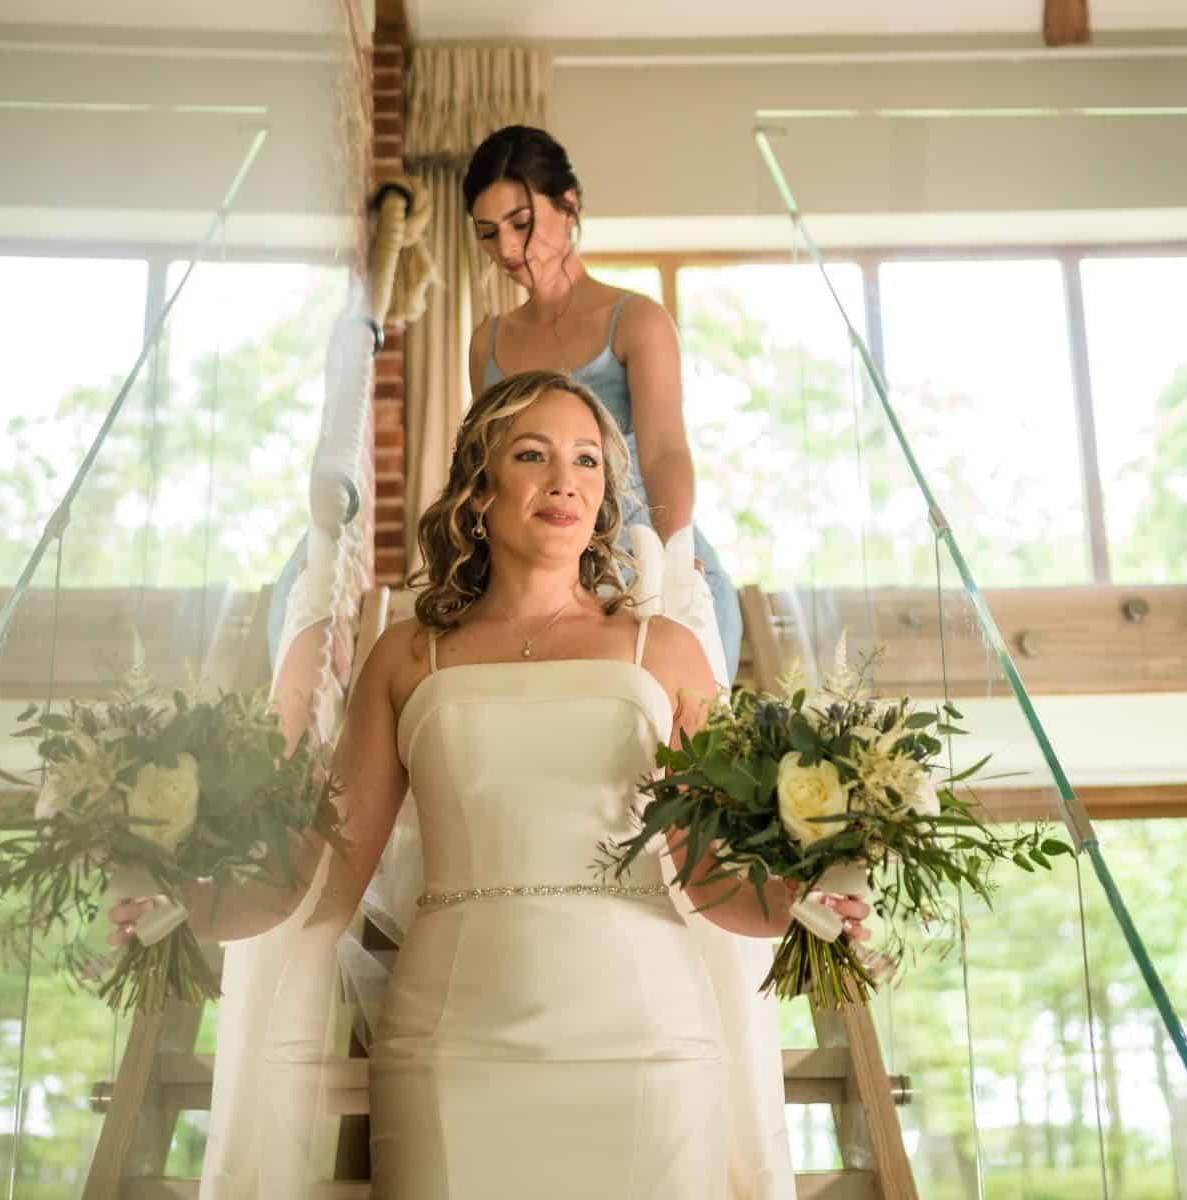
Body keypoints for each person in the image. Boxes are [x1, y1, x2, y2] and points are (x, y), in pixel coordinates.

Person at [112, 371, 869, 1197]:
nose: (566, 482)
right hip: (451, 1043)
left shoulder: (669, 650)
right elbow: (324, 874)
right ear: (479, 488)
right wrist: (187, 899)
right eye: (533, 454)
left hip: (648, 1042)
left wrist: (811, 900)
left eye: (587, 461)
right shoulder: (404, 657)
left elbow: (711, 877)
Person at [463, 124, 742, 682]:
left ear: (569, 206)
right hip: (539, 573)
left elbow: (664, 451)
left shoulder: (635, 320)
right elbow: (490, 478)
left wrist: (671, 569)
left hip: (648, 558)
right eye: (489, 234)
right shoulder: (487, 342)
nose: (509, 250)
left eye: (522, 224)